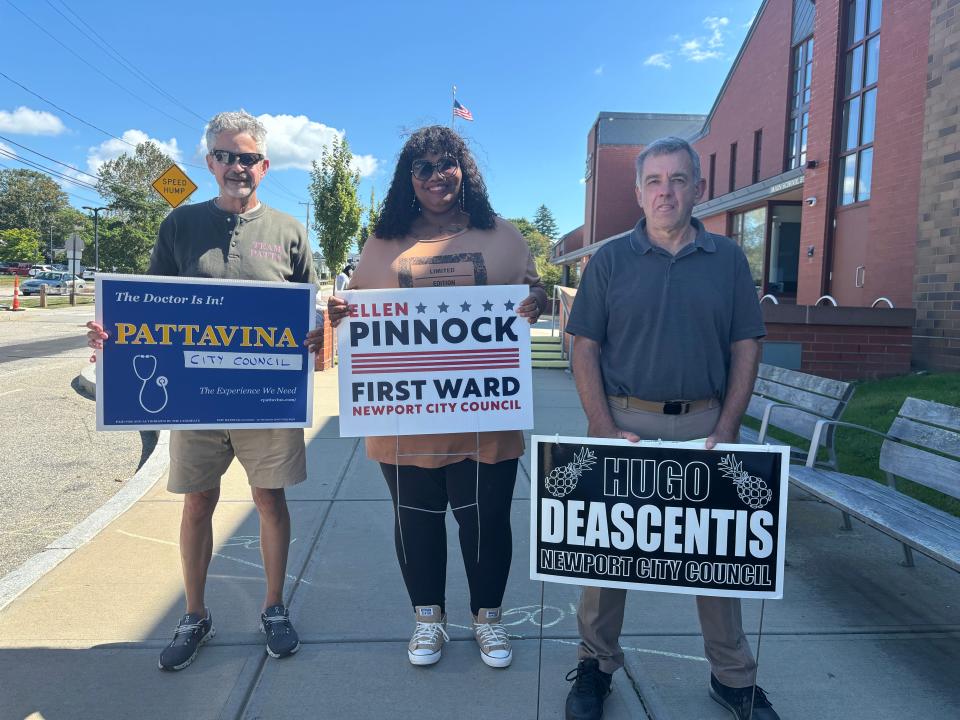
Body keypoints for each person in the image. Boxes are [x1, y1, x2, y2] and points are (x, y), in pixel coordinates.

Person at [86, 110, 318, 671]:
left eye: (248, 157)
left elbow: (311, 310)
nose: (237, 166)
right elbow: (147, 305)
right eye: (226, 156)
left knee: (269, 500)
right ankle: (195, 614)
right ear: (210, 161)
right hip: (197, 399)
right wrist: (109, 333)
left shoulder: (290, 230)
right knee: (197, 503)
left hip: (266, 400)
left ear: (264, 163)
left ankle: (273, 607)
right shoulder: (181, 226)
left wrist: (319, 335)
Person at [562, 137, 779, 720]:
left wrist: (729, 427)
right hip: (625, 420)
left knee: (720, 557)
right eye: (654, 181)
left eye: (678, 179)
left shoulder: (728, 259)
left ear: (698, 189)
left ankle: (733, 678)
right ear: (638, 192)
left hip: (706, 422)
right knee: (604, 555)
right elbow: (584, 347)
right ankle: (594, 666)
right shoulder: (608, 260)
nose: (666, 191)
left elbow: (745, 345)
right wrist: (603, 428)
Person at [321, 125, 547, 669]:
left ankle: (488, 620)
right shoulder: (383, 243)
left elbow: (531, 290)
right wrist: (338, 315)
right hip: (404, 423)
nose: (436, 175)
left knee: (486, 524)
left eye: (447, 164)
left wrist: (536, 300)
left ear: (464, 171)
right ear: (408, 179)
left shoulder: (503, 236)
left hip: (485, 422)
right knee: (416, 525)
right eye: (422, 167)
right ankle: (428, 621)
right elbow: (356, 315)